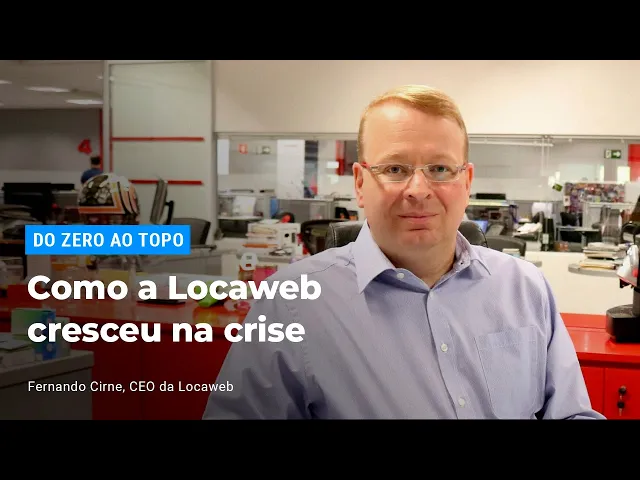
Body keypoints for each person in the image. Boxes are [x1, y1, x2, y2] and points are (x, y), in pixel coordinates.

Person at [203, 85, 605, 420]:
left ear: (466, 182)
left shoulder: (524, 287)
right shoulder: (292, 303)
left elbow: (571, 414)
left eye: (440, 169)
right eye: (395, 169)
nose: (418, 190)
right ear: (360, 183)